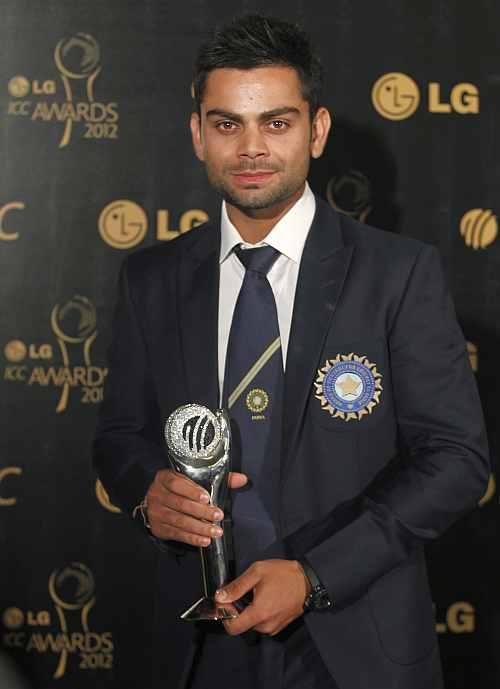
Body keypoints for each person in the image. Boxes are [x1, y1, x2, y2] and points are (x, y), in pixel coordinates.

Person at [93, 14, 489, 689]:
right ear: (197, 135)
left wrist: (313, 577)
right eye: (227, 124)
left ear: (318, 129)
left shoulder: (398, 273)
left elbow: (455, 459)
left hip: (355, 641)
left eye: (275, 122)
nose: (251, 147)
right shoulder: (151, 278)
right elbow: (120, 437)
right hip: (192, 645)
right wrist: (145, 493)